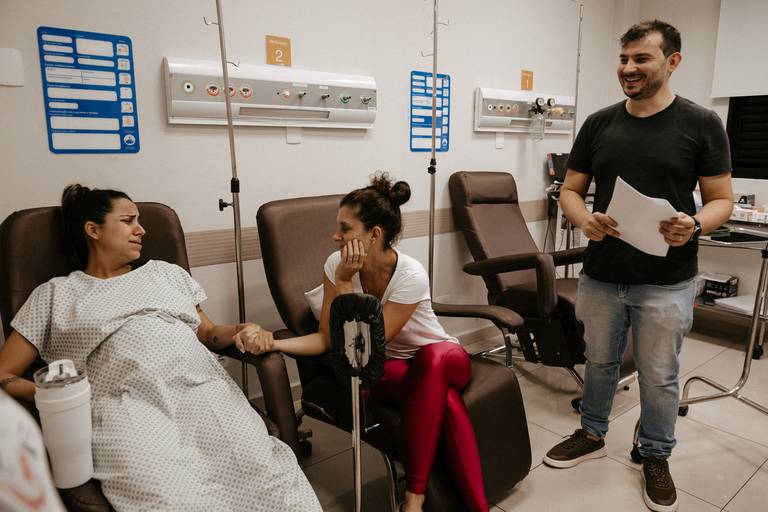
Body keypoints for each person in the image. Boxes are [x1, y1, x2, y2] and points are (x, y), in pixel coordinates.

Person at [0, 185, 321, 512]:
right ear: (93, 230)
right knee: (169, 498)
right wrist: (54, 396)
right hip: (125, 407)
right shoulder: (56, 294)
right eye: (128, 221)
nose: (141, 229)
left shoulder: (166, 274)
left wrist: (243, 329)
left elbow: (208, 333)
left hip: (204, 392)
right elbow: (4, 373)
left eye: (139, 220)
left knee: (268, 479)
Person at [542, 20, 733, 512]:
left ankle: (654, 454)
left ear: (672, 61)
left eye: (641, 59)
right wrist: (584, 219)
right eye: (624, 59)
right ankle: (591, 432)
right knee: (599, 362)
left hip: (666, 280)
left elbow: (722, 199)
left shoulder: (701, 123)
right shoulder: (599, 124)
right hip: (603, 273)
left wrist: (694, 223)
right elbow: (570, 190)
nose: (628, 68)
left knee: (659, 374)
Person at [253, 174, 488, 512]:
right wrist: (274, 344)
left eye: (345, 228)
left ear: (374, 234)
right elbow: (329, 340)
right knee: (447, 403)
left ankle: (414, 499)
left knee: (431, 358)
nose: (335, 236)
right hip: (388, 369)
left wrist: (344, 285)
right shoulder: (336, 266)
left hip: (445, 359)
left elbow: (366, 343)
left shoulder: (410, 275)